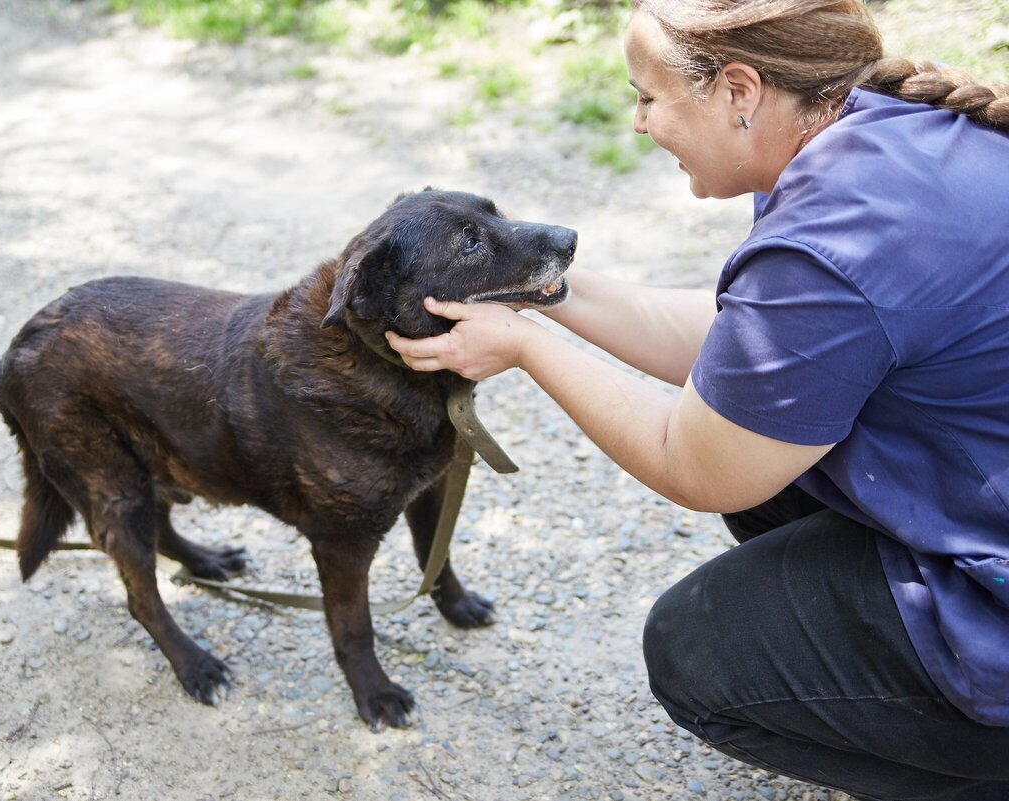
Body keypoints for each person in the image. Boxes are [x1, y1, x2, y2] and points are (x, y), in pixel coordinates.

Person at [385, 1, 1009, 799]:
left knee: (693, 648)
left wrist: (525, 345)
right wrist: (540, 286)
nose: (638, 123)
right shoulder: (872, 142)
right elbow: (752, 351)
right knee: (776, 475)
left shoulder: (834, 240)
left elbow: (698, 463)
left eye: (648, 97)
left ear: (739, 91)